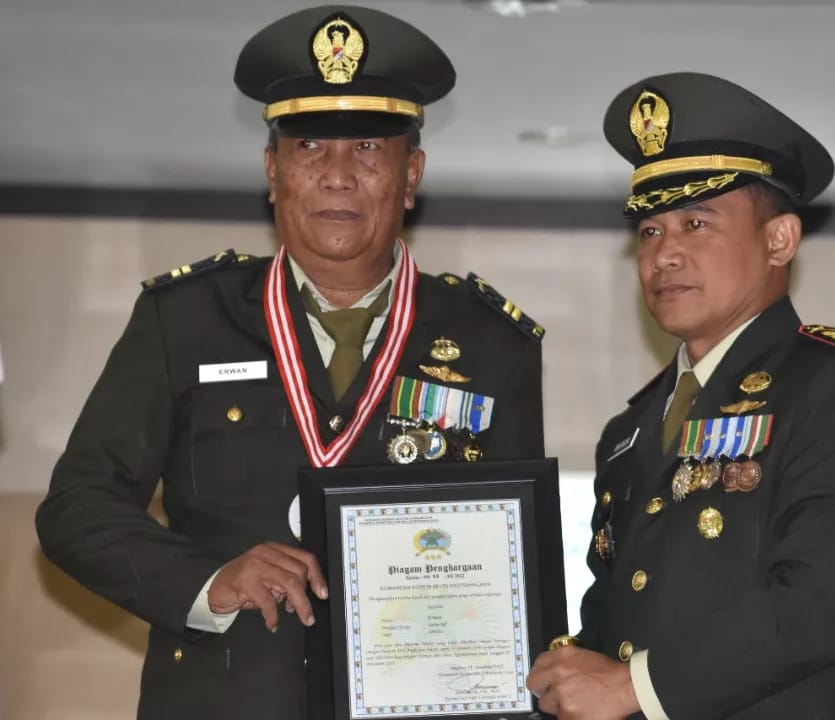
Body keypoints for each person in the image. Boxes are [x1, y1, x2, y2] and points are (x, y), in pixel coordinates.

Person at [35, 6, 544, 719]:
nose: (338, 176)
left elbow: (518, 563)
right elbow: (76, 509)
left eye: (368, 148)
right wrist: (208, 581)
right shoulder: (184, 320)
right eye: (309, 147)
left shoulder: (494, 344)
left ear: (411, 175)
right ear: (273, 172)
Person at [526, 72, 835, 720]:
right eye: (649, 231)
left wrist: (629, 688)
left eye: (696, 222)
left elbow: (820, 606)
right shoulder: (630, 429)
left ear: (779, 240)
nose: (665, 254)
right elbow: (611, 622)